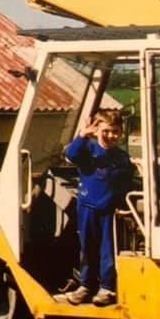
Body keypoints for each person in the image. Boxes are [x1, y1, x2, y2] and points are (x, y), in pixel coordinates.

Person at [54, 108, 134, 307]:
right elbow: (71, 154)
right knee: (87, 247)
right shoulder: (88, 150)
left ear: (121, 134)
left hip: (109, 210)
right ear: (97, 130)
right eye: (106, 131)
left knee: (108, 249)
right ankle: (86, 285)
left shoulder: (122, 157)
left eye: (115, 131)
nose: (110, 135)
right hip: (87, 207)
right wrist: (82, 135)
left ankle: (107, 287)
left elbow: (126, 181)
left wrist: (122, 204)